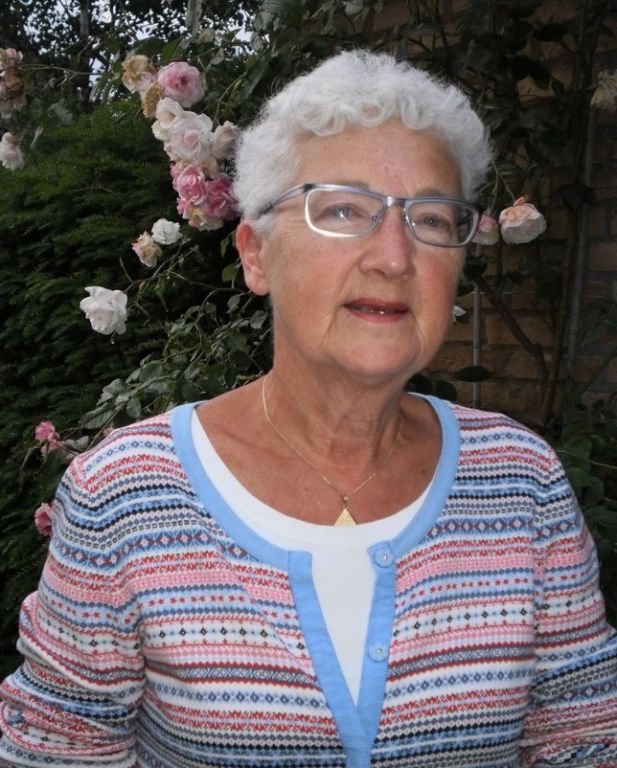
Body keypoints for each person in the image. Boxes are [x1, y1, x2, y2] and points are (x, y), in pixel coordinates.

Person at [1, 49, 616, 768]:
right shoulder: (125, 496)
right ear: (256, 255)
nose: (394, 257)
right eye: (343, 210)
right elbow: (60, 749)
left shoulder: (522, 480)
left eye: (430, 218)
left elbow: (583, 735)